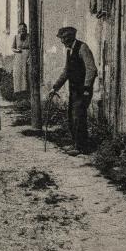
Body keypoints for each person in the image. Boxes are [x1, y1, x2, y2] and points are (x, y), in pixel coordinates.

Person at [51, 26, 98, 155]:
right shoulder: (69, 51)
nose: (62, 41)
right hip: (74, 90)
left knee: (78, 117)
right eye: (61, 39)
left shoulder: (82, 48)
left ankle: (81, 147)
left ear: (71, 37)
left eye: (64, 38)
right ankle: (77, 144)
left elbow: (91, 69)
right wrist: (55, 87)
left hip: (83, 90)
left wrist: (87, 88)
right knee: (72, 117)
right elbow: (66, 71)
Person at [11, 23, 30, 98]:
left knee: (26, 75)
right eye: (21, 28)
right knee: (18, 74)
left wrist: (30, 57)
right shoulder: (16, 37)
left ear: (26, 29)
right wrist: (16, 50)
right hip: (18, 58)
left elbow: (32, 48)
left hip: (26, 57)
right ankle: (19, 95)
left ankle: (26, 94)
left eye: (24, 28)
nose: (22, 30)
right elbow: (12, 48)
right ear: (18, 29)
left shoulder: (29, 37)